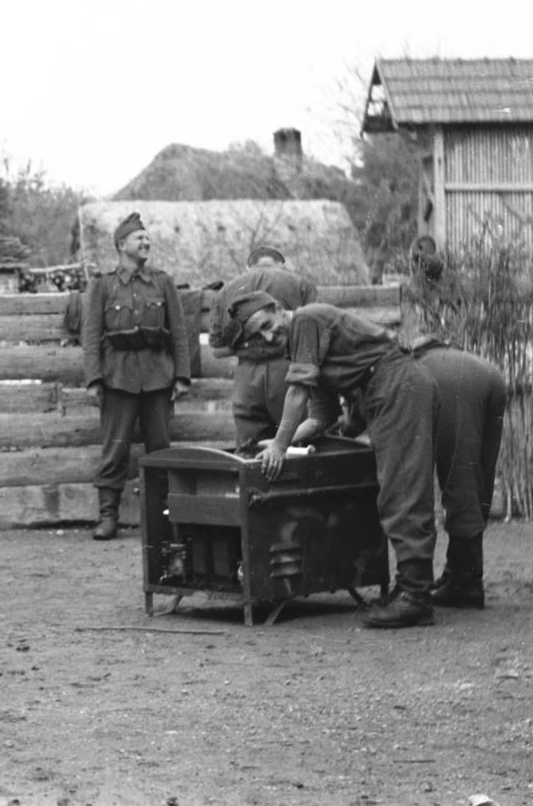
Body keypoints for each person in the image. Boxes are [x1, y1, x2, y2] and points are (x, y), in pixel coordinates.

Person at [231, 294, 438, 629]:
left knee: (401, 490)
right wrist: (277, 441)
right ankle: (410, 587)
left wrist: (280, 447)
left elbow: (297, 392)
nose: (268, 337)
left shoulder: (306, 320)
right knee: (396, 489)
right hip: (385, 389)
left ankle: (415, 597)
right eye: (259, 335)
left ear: (278, 309)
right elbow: (322, 414)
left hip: (395, 385)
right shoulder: (300, 342)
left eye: (268, 325)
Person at [81, 212, 193, 539]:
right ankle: (107, 517)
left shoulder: (163, 282)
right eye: (138, 238)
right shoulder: (102, 285)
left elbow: (179, 334)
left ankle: (161, 519)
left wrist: (182, 376)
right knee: (115, 449)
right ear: (121, 245)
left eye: (147, 238)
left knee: (160, 450)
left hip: (158, 378)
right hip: (117, 379)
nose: (146, 242)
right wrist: (94, 380)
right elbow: (91, 337)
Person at [408, 337, 506, 609]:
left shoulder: (413, 366)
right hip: (490, 374)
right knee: (478, 479)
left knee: (459, 479)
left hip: (457, 384)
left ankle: (466, 584)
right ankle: (458, 572)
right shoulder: (450, 356)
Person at [208, 245, 319, 451]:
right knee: (299, 441)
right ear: (283, 265)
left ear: (248, 266)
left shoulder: (228, 290)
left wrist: (248, 344)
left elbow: (217, 349)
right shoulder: (300, 283)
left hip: (247, 378)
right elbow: (316, 329)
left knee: (251, 447)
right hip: (289, 372)